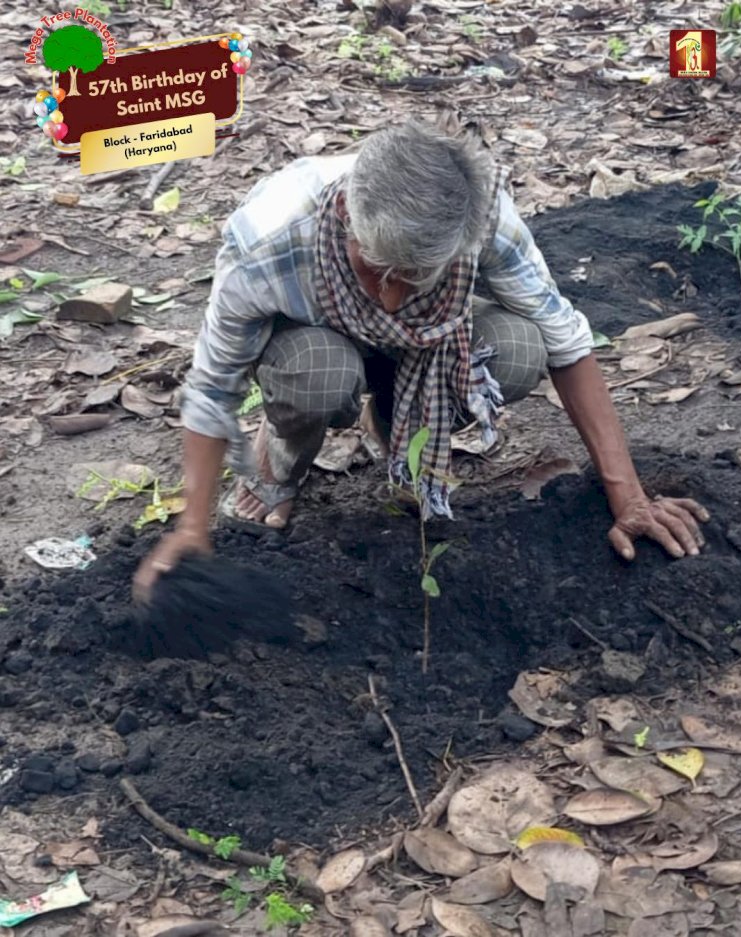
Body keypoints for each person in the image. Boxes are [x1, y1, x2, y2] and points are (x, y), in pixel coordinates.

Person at [133, 120, 708, 601]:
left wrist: (628, 495)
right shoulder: (270, 240)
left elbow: (567, 341)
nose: (390, 298)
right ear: (347, 224)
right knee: (319, 375)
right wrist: (192, 524)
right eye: (375, 270)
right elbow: (212, 388)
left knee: (517, 349)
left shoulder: (482, 221)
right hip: (314, 343)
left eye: (413, 278)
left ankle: (392, 430)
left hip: (430, 348)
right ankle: (282, 454)